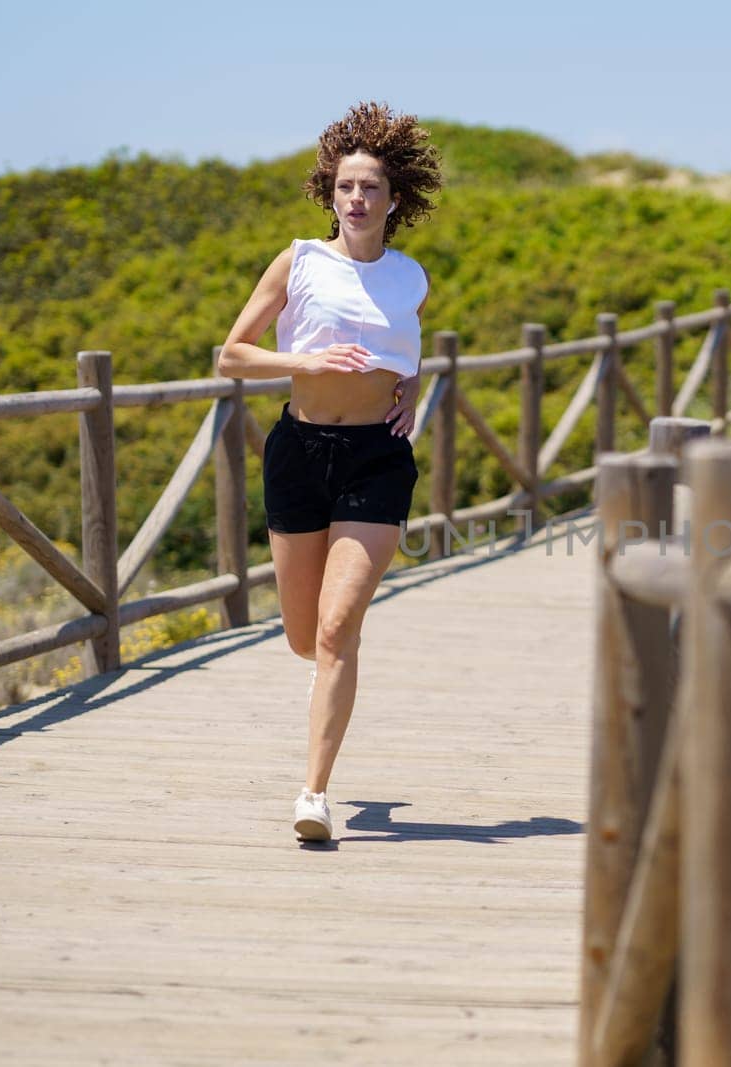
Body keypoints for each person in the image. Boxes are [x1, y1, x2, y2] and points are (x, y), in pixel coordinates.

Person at [217, 102, 442, 842]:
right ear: (330, 193)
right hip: (299, 453)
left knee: (339, 627)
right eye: (346, 187)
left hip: (377, 457)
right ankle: (326, 703)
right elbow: (232, 354)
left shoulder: (411, 277)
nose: (357, 199)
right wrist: (302, 360)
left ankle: (313, 792)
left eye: (370, 187)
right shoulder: (299, 261)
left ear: (393, 199)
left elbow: (406, 348)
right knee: (304, 636)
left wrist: (409, 390)